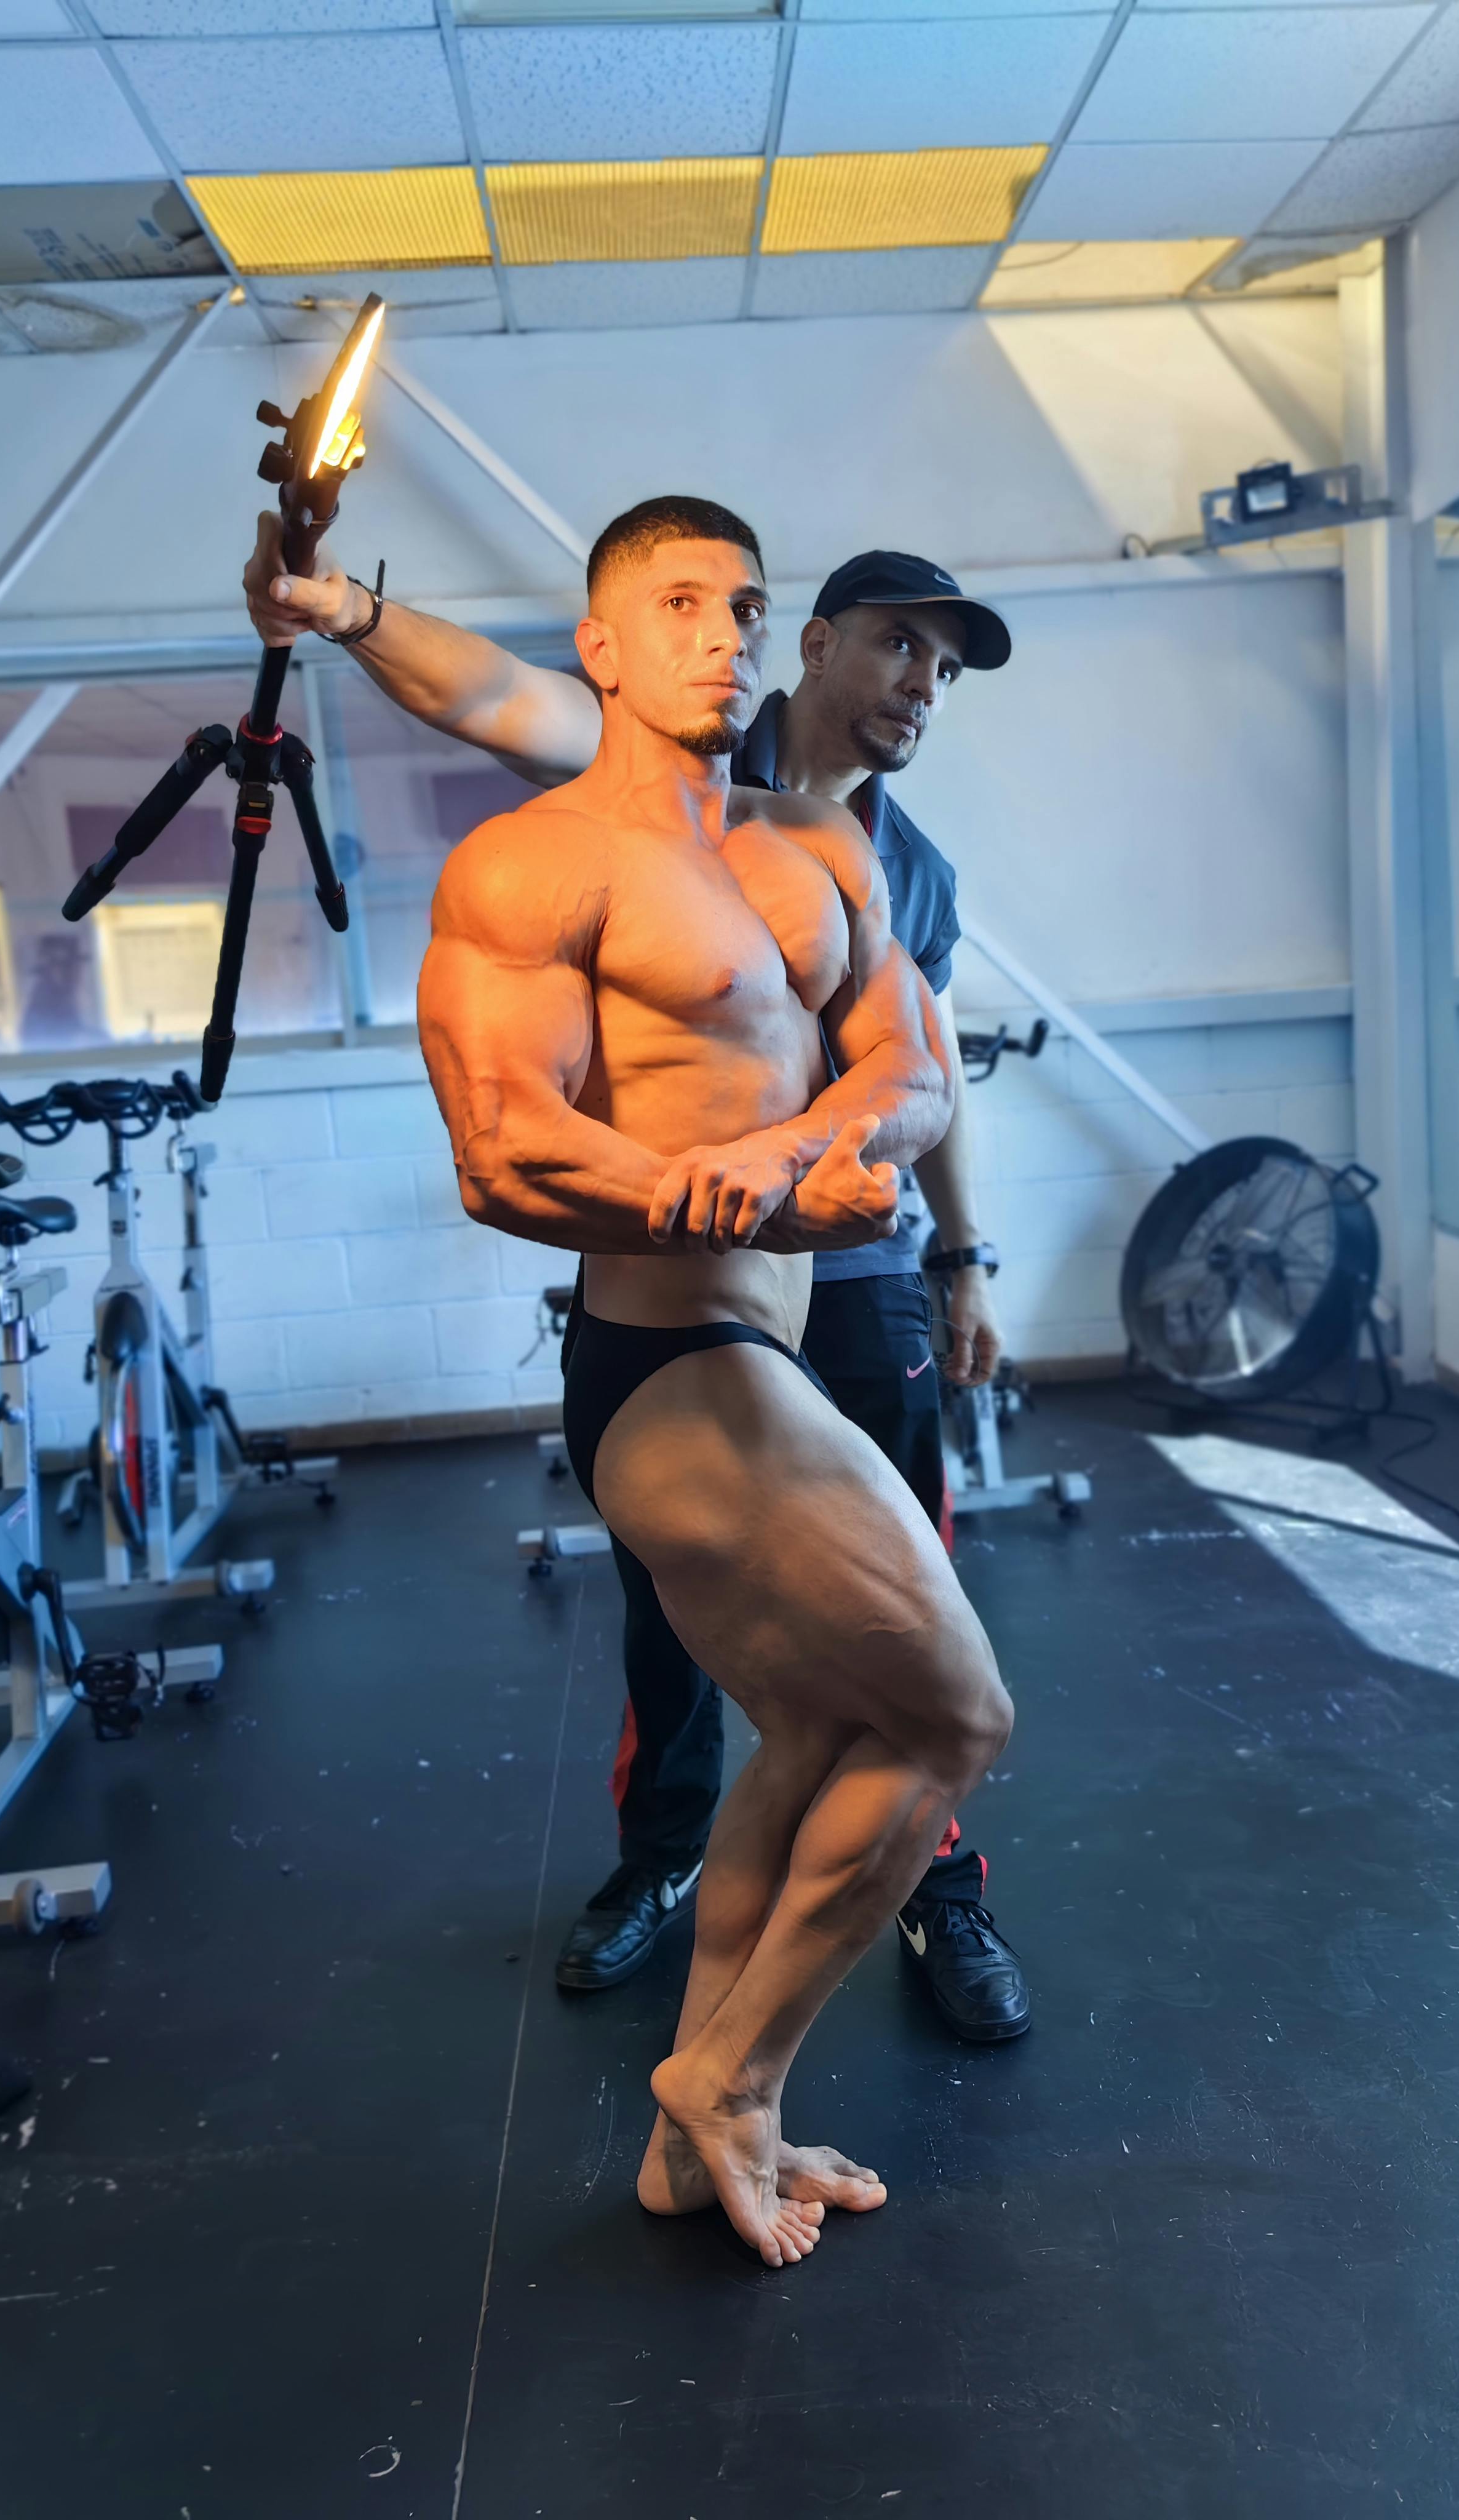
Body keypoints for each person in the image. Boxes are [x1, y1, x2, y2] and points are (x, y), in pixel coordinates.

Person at [244, 524, 1031, 2044]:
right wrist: (344, 604)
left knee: (905, 1612)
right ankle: (664, 1858)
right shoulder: (678, 755)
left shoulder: (903, 864)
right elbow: (490, 696)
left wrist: (959, 1251)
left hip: (852, 1262)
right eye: (898, 646)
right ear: (813, 641)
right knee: (686, 1603)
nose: (919, 686)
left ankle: (934, 1882)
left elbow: (928, 1069)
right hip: (684, 1284)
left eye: (943, 668)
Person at [416, 494, 1014, 2265]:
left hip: (817, 1305)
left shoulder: (842, 854)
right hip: (675, 1350)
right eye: (684, 605)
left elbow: (917, 1071)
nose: (718, 633)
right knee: (949, 1713)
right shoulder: (583, 837)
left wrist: (868, 1171)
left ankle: (702, 2124)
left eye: (732, 606)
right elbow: (503, 1146)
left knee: (835, 1722)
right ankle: (725, 2079)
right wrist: (721, 1181)